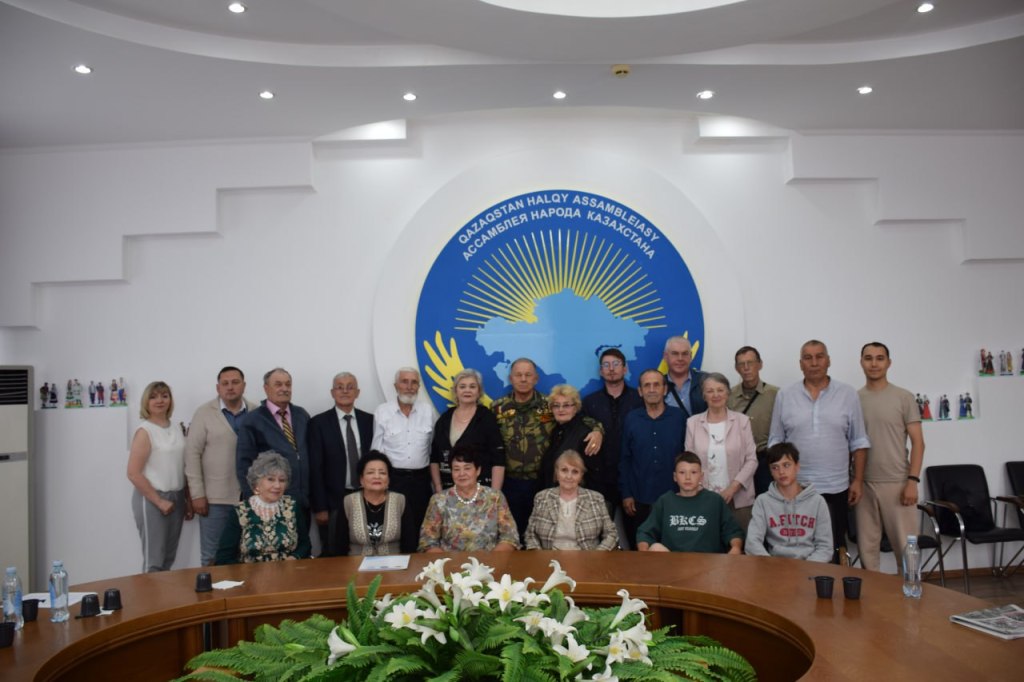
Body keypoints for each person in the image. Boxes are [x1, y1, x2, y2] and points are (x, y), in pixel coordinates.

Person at [769, 340, 870, 563]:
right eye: (808, 358)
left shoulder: (847, 394)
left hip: (836, 487)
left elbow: (859, 441)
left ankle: (830, 586)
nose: (814, 363)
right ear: (800, 364)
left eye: (819, 356)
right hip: (796, 488)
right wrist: (780, 478)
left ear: (828, 360)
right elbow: (776, 440)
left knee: (832, 548)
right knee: (796, 548)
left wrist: (858, 480)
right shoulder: (785, 395)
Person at [491, 358, 602, 539]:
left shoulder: (549, 404)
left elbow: (578, 418)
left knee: (540, 534)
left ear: (536, 378)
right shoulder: (497, 408)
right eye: (518, 375)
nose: (523, 379)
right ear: (511, 379)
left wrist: (598, 430)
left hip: (541, 482)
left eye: (528, 375)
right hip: (509, 482)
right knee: (510, 535)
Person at [857, 342, 925, 573]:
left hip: (898, 483)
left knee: (907, 550)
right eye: (868, 358)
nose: (874, 363)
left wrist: (912, 481)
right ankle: (872, 595)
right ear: (861, 362)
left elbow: (918, 443)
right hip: (864, 484)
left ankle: (911, 592)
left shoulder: (903, 397)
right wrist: (855, 481)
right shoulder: (854, 399)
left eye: (880, 358)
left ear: (889, 363)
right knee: (867, 552)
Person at [185, 366, 257, 566]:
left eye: (235, 382)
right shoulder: (204, 413)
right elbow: (192, 454)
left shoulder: (256, 411)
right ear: (218, 388)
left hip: (250, 497)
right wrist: (197, 494)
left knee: (246, 554)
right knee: (212, 555)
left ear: (244, 385)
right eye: (225, 383)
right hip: (215, 499)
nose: (230, 387)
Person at [126, 381, 191, 573]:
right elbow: (133, 473)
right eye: (153, 397)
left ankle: (162, 593)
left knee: (168, 558)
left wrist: (187, 499)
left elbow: (183, 466)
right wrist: (159, 501)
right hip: (152, 499)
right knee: (154, 561)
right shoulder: (145, 431)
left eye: (164, 396)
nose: (160, 400)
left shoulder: (176, 427)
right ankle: (149, 594)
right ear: (146, 402)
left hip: (177, 497)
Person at [308, 372, 374, 553]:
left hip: (365, 496)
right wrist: (320, 507)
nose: (345, 391)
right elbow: (315, 467)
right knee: (333, 550)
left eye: (350, 387)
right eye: (340, 387)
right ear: (332, 392)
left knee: (365, 548)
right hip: (333, 501)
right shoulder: (318, 423)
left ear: (357, 392)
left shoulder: (369, 421)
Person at [619, 369, 686, 549]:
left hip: (673, 496)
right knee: (641, 549)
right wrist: (626, 494)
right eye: (646, 385)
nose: (652, 389)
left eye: (656, 384)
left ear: (665, 389)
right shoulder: (632, 419)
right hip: (639, 497)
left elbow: (686, 456)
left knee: (673, 550)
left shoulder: (679, 417)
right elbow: (625, 459)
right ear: (640, 391)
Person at [685, 372, 757, 531]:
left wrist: (732, 488)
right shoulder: (692, 423)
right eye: (710, 391)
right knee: (707, 543)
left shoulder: (742, 421)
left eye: (720, 390)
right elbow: (689, 463)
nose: (715, 395)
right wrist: (702, 492)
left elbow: (752, 460)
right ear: (704, 396)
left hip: (738, 499)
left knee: (741, 543)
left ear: (728, 393)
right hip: (703, 499)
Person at [215, 451, 311, 564]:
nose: (277, 485)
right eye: (270, 479)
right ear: (256, 482)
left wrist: (293, 558)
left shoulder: (292, 506)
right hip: (250, 573)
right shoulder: (240, 512)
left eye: (282, 480)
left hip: (288, 572)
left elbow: (305, 544)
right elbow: (224, 557)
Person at [636, 452, 743, 554]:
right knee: (655, 547)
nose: (688, 477)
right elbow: (644, 533)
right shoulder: (665, 501)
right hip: (672, 562)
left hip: (708, 561)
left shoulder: (715, 500)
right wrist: (645, 552)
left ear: (701, 476)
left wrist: (736, 548)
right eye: (682, 472)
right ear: (675, 477)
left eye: (693, 472)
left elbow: (733, 531)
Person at [236, 368, 312, 510]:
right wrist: (253, 499)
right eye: (278, 384)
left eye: (288, 384)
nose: (284, 389)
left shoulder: (302, 415)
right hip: (270, 501)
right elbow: (244, 464)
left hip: (303, 500)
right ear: (266, 388)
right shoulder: (253, 420)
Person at [418, 446, 519, 552]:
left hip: (490, 560)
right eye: (456, 469)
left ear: (478, 470)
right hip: (449, 561)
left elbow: (510, 537)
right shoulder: (438, 500)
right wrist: (447, 562)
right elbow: (427, 542)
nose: (461, 474)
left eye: (467, 468)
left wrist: (490, 559)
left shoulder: (495, 497)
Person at [582, 348, 644, 517]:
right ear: (600, 371)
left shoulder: (639, 400)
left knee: (637, 531)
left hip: (633, 479)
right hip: (599, 480)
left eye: (616, 364)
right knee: (598, 532)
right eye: (606, 365)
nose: (611, 369)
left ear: (625, 368)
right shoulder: (589, 402)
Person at [745, 443, 833, 562]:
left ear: (797, 466)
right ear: (770, 472)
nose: (781, 472)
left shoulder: (817, 501)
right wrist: (771, 565)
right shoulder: (762, 501)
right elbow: (752, 543)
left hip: (810, 566)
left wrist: (808, 567)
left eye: (786, 465)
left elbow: (825, 547)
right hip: (775, 566)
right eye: (775, 467)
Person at [371, 367, 434, 530]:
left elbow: (432, 447)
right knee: (394, 527)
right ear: (396, 386)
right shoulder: (383, 411)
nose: (409, 387)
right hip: (394, 481)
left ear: (419, 387)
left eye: (414, 382)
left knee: (422, 526)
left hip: (421, 481)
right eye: (404, 382)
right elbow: (376, 452)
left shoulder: (427, 411)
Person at [524, 450, 618, 550]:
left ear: (581, 475)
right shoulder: (542, 498)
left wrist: (597, 555)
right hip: (549, 557)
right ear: (556, 473)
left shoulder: (596, 499)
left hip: (587, 557)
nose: (569, 476)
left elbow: (611, 534)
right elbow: (530, 534)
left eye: (575, 472)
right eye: (564, 470)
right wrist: (539, 554)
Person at [430, 368, 504, 491]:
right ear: (456, 391)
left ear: (479, 391)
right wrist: (438, 488)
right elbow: (434, 457)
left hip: (480, 490)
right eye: (462, 386)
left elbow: (498, 459)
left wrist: (495, 494)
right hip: (448, 490)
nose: (467, 390)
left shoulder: (486, 418)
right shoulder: (444, 419)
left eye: (472, 386)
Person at [333, 451, 418, 556]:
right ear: (361, 479)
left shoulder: (400, 501)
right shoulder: (348, 502)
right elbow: (340, 546)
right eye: (370, 472)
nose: (377, 476)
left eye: (382, 473)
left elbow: (409, 544)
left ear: (388, 479)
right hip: (356, 564)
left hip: (394, 563)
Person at [726, 346, 779, 496]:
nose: (746, 368)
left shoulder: (775, 394)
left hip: (765, 460)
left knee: (767, 502)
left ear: (760, 364)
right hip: (738, 462)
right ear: (736, 368)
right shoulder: (729, 396)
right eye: (741, 364)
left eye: (750, 362)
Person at [539, 384, 600, 490]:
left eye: (566, 405)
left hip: (576, 496)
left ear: (575, 408)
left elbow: (593, 477)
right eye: (556, 405)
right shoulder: (555, 431)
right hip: (553, 494)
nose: (560, 409)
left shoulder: (587, 435)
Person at [662, 336, 707, 420]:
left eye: (685, 354)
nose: (680, 358)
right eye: (675, 353)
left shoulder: (706, 381)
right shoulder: (657, 384)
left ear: (691, 356)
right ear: (665, 356)